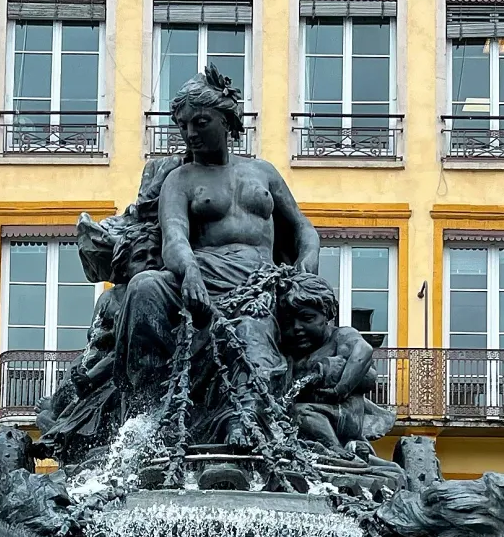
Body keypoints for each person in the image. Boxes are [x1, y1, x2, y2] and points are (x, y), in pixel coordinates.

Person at [112, 68, 322, 442]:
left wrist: (306, 266)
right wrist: (189, 270)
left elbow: (304, 229)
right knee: (144, 286)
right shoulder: (181, 178)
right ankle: (145, 409)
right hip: (199, 275)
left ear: (226, 121)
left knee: (249, 331)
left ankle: (243, 421)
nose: (190, 133)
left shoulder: (264, 173)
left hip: (258, 283)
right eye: (183, 125)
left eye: (200, 122)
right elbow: (174, 235)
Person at [277, 272, 394, 451]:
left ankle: (336, 451)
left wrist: (339, 390)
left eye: (307, 318)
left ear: (328, 314)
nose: (297, 328)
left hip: (343, 414)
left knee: (299, 412)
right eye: (288, 322)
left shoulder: (341, 336)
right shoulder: (293, 351)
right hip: (316, 416)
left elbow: (364, 351)